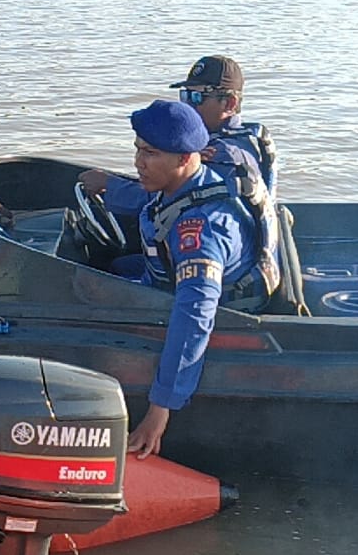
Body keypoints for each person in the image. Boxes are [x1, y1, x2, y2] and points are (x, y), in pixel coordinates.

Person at [106, 101, 279, 460]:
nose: (139, 162)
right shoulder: (189, 182)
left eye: (150, 153)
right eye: (137, 149)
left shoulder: (200, 233)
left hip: (218, 314)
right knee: (116, 267)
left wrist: (160, 407)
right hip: (168, 281)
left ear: (184, 158)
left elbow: (195, 317)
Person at [81, 55, 278, 212]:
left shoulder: (225, 156)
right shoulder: (219, 141)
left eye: (197, 97)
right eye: (185, 95)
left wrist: (110, 186)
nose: (188, 105)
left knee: (120, 264)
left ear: (229, 104)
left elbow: (175, 201)